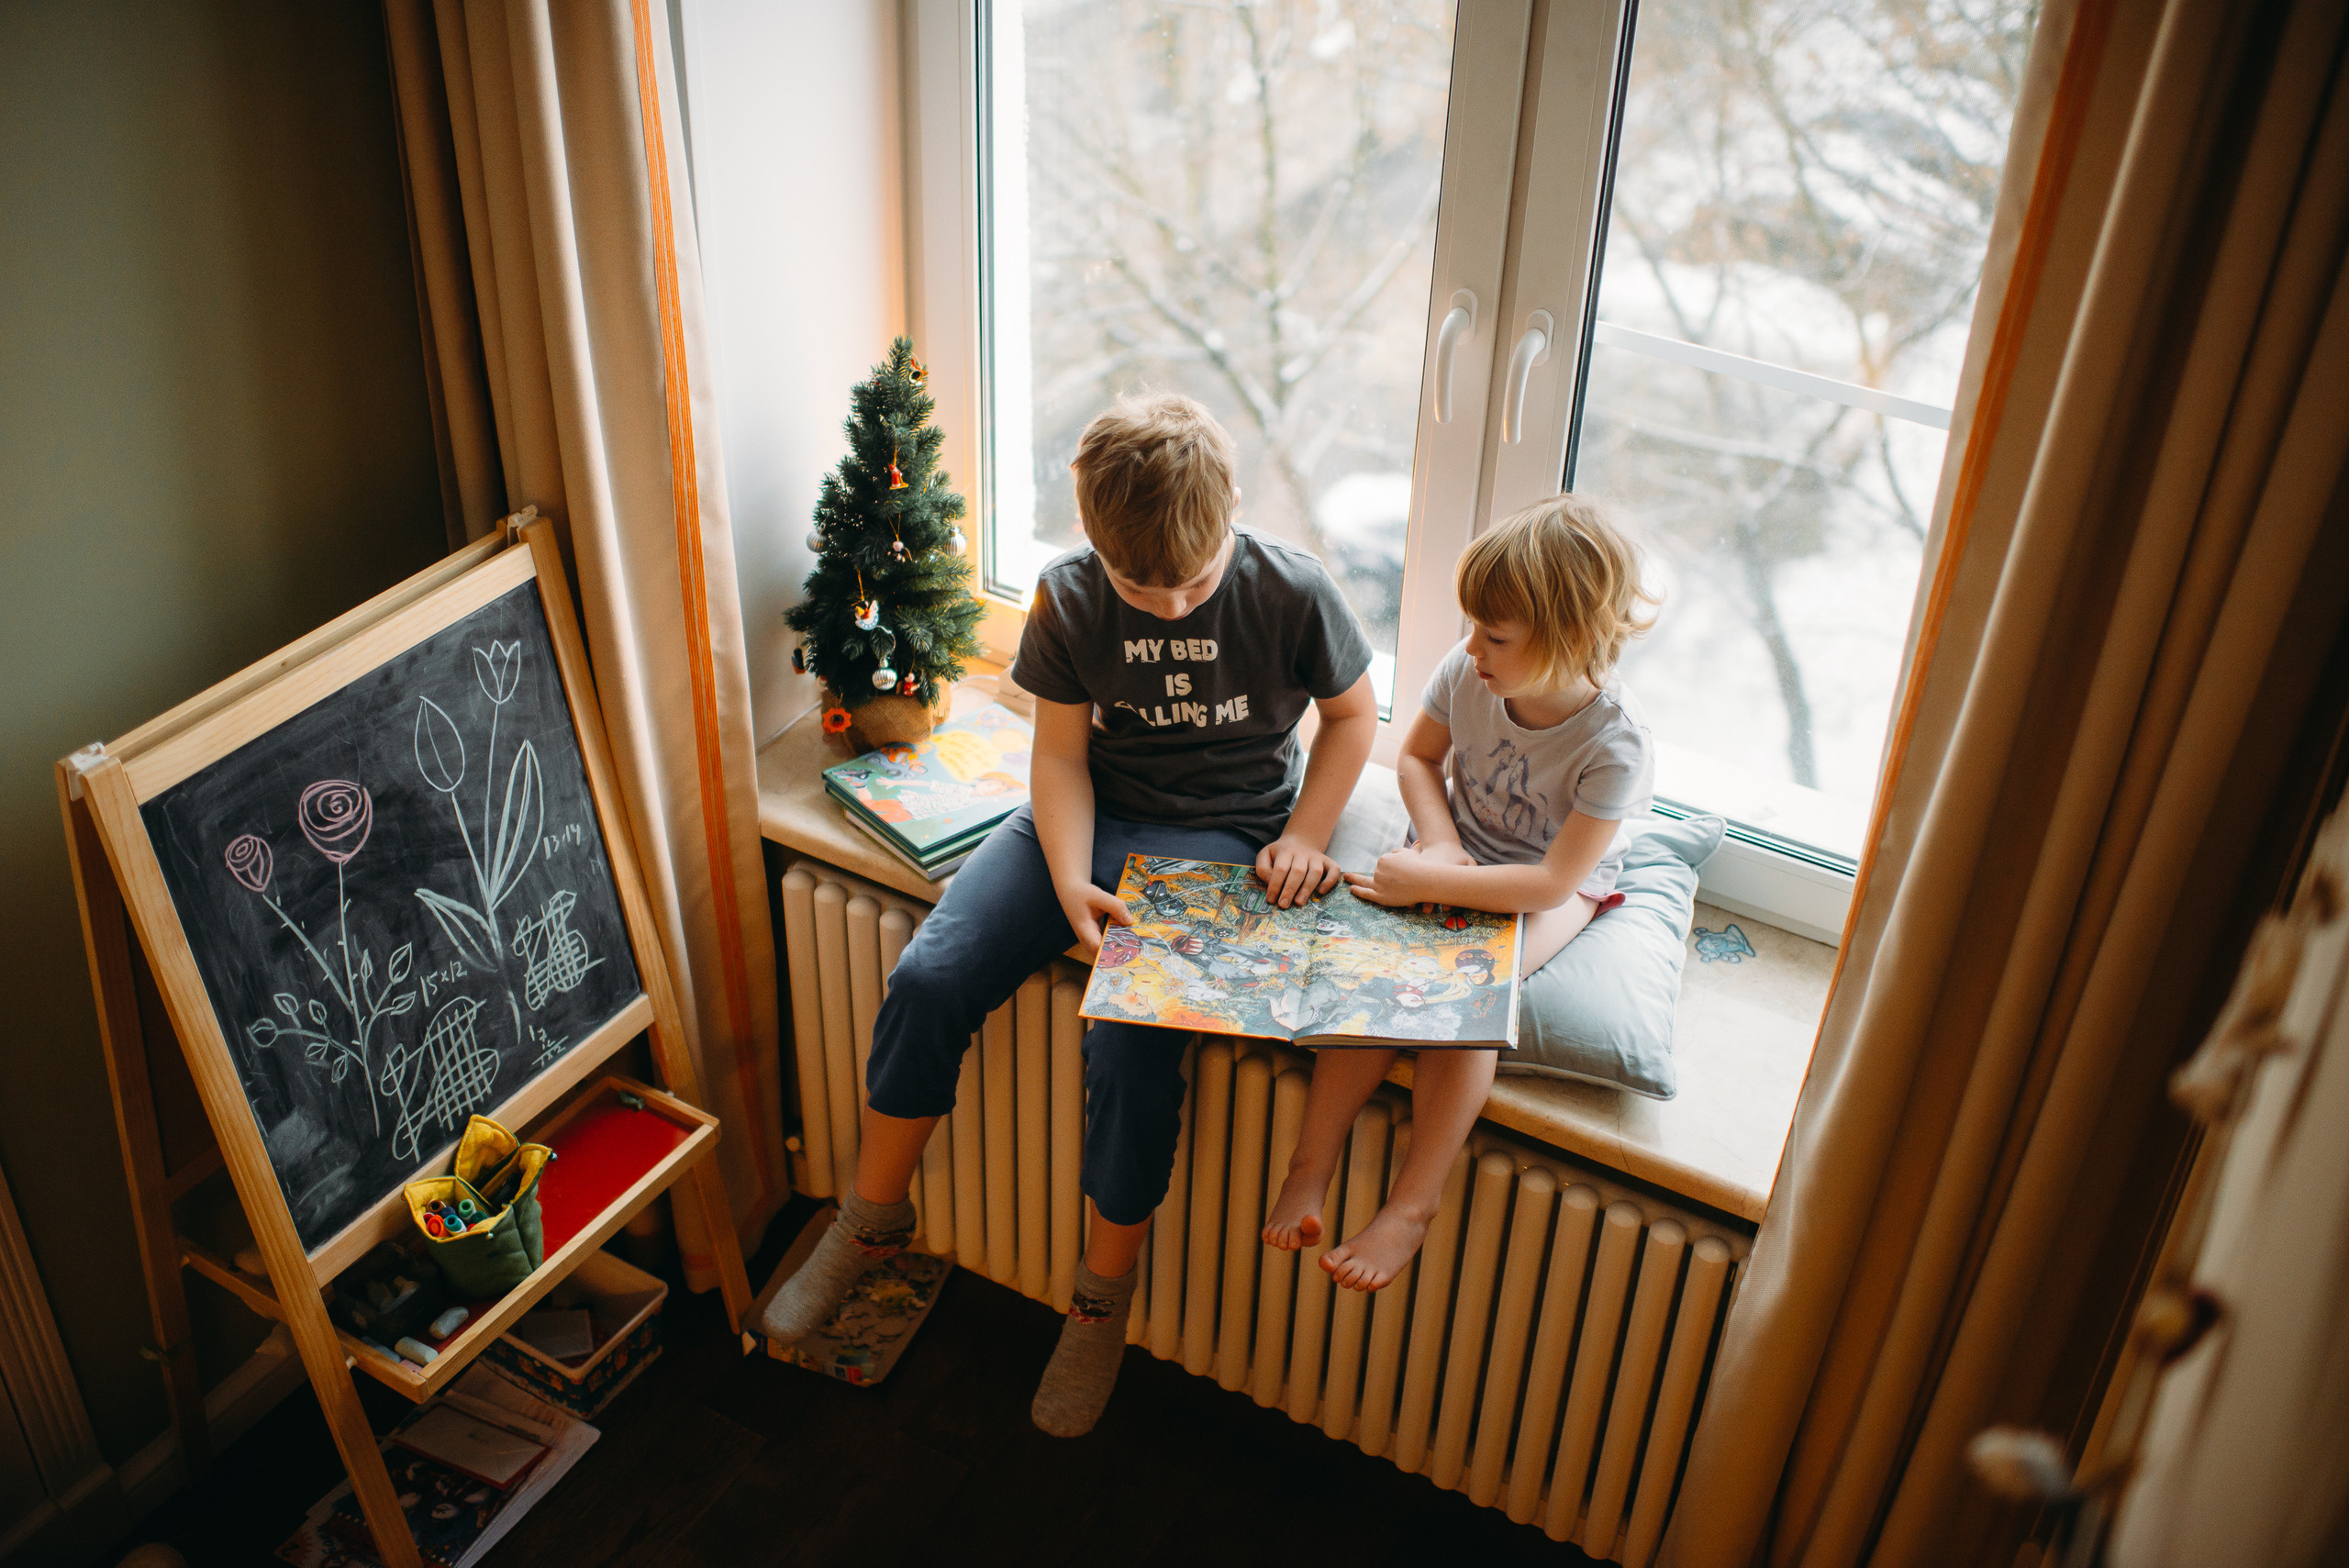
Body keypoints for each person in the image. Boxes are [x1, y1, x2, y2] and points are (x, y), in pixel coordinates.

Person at [763, 392, 1380, 1434]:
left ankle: (1099, 1302)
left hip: (1218, 835)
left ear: (1231, 507)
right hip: (1082, 818)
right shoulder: (1071, 596)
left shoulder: (1292, 589)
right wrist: (1062, 878)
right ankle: (870, 1217)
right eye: (1145, 585)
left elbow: (1355, 715)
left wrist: (1308, 832)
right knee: (927, 976)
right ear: (1096, 548)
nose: (1173, 605)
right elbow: (1055, 756)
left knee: (1132, 1044)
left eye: (1191, 581)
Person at [1262, 494, 1656, 1291]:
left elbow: (1555, 879)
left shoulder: (1613, 740)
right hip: (1457, 847)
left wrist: (1436, 883)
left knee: (1472, 995)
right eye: (1471, 625)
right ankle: (1311, 1162)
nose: (1471, 645)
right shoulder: (1467, 670)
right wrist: (1439, 845)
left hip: (1549, 886)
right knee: (1370, 973)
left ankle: (1413, 1204)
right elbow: (1415, 760)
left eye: (1495, 635)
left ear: (1571, 637)